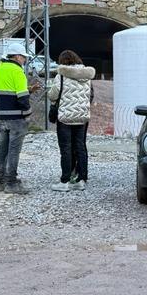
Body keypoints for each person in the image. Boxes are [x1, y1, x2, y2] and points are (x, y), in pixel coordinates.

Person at [0, 43, 32, 194]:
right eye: (24, 57)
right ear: (17, 56)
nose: (24, 60)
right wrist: (28, 111)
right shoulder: (17, 71)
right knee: (14, 151)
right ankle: (11, 183)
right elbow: (22, 98)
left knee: (2, 149)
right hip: (16, 118)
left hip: (1, 116)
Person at [48, 50, 94, 192]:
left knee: (66, 149)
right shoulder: (87, 76)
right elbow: (90, 95)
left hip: (65, 118)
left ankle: (65, 181)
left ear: (63, 62)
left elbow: (53, 96)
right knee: (80, 147)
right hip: (82, 117)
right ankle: (81, 179)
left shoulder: (61, 76)